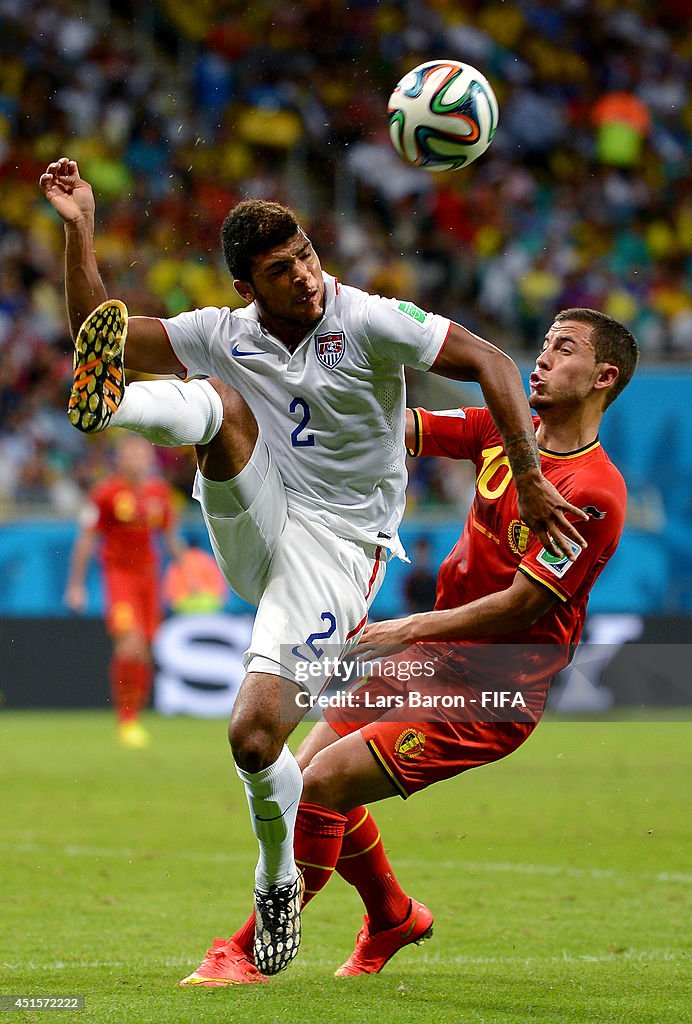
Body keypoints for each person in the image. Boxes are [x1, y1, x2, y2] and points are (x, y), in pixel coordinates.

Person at [40, 156, 588, 977]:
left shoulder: (367, 318)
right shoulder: (225, 334)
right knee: (215, 403)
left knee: (256, 738)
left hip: (337, 553)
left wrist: (533, 476)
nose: (304, 275)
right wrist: (80, 230)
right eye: (279, 270)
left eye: (304, 254)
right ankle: (110, 406)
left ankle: (277, 879)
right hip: (259, 515)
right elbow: (102, 337)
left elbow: (492, 363)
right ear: (246, 289)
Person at [178, 307, 639, 986]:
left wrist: (403, 628)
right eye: (542, 344)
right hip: (430, 659)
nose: (541, 359)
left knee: (319, 787)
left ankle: (245, 954)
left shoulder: (594, 491)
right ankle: (392, 915)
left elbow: (525, 603)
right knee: (299, 777)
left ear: (603, 377)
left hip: (491, 690)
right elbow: (396, 430)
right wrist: (287, 413)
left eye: (562, 350)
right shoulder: (504, 434)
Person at [65, 434, 184, 748]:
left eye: (141, 454)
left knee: (143, 650)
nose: (135, 459)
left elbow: (170, 537)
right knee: (128, 645)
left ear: (148, 459)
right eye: (129, 454)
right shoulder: (105, 493)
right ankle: (126, 719)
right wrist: (76, 586)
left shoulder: (159, 494)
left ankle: (135, 718)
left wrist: (187, 569)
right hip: (119, 577)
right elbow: (86, 539)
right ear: (119, 459)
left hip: (150, 579)